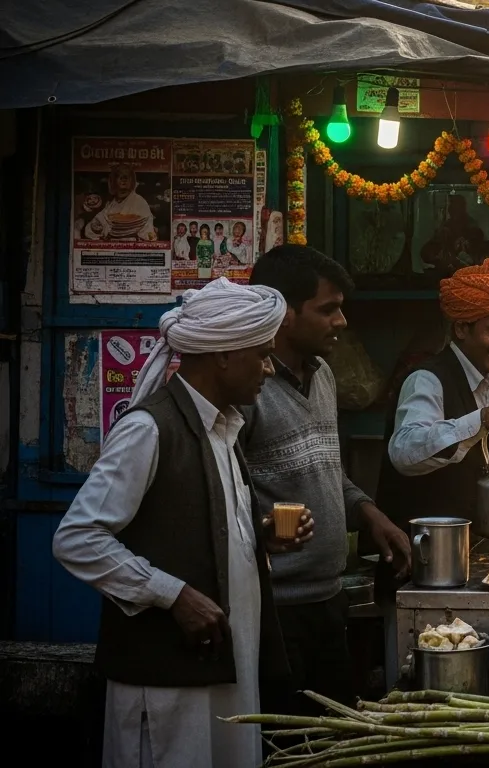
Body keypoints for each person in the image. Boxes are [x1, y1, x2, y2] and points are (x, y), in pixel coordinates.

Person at [52, 278, 313, 768]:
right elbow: (77, 539)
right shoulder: (149, 429)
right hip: (168, 686)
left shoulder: (226, 429)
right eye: (260, 354)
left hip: (224, 673)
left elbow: (204, 528)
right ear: (221, 356)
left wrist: (260, 539)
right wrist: (172, 594)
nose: (268, 368)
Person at [243, 245, 412, 713]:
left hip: (330, 598)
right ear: (284, 314)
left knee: (334, 732)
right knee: (287, 737)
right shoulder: (246, 391)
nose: (341, 322)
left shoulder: (323, 376)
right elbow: (226, 493)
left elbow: (326, 467)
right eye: (328, 310)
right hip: (275, 610)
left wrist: (369, 512)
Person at [377, 259, 489, 529]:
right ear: (462, 329)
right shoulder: (427, 380)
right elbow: (404, 451)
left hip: (468, 551)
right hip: (421, 554)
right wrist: (482, 420)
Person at [84, 164, 157, 242]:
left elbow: (148, 231)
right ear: (113, 182)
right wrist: (95, 228)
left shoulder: (140, 202)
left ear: (131, 181)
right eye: (120, 177)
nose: (123, 181)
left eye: (126, 177)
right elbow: (95, 225)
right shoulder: (111, 204)